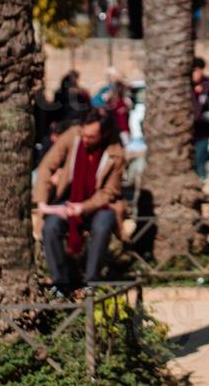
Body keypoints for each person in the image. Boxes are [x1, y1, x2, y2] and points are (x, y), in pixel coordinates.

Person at [34, 107, 127, 295]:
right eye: (84, 134)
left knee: (103, 225)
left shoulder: (116, 153)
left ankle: (91, 282)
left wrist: (83, 207)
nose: (86, 140)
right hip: (68, 201)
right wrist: (42, 203)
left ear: (105, 134)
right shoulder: (72, 137)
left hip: (98, 205)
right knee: (50, 227)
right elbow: (46, 166)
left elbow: (109, 192)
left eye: (91, 137)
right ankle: (60, 283)